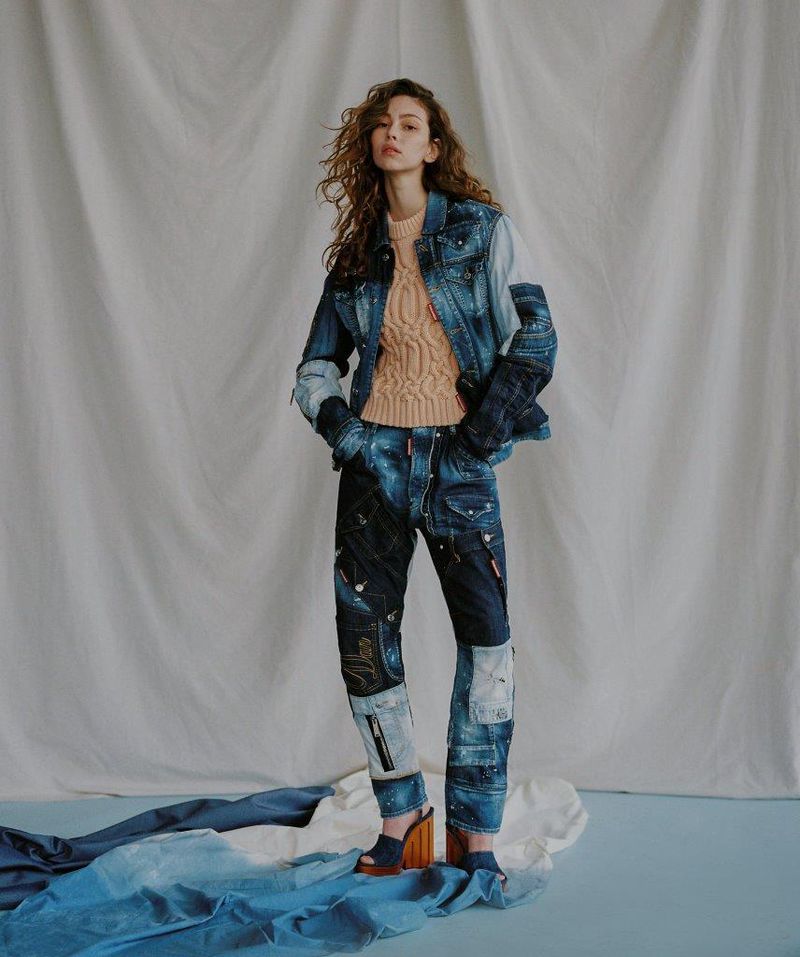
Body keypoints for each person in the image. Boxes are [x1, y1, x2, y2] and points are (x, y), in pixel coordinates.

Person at [291, 78, 557, 890]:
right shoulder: (355, 254)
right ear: (369, 144)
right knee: (365, 643)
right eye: (382, 124)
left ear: (434, 147)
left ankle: (476, 828)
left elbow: (536, 337)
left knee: (488, 645)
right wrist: (351, 437)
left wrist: (476, 439)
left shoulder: (481, 230)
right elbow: (314, 369)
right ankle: (401, 813)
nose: (393, 134)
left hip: (458, 463)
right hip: (374, 467)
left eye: (410, 125)